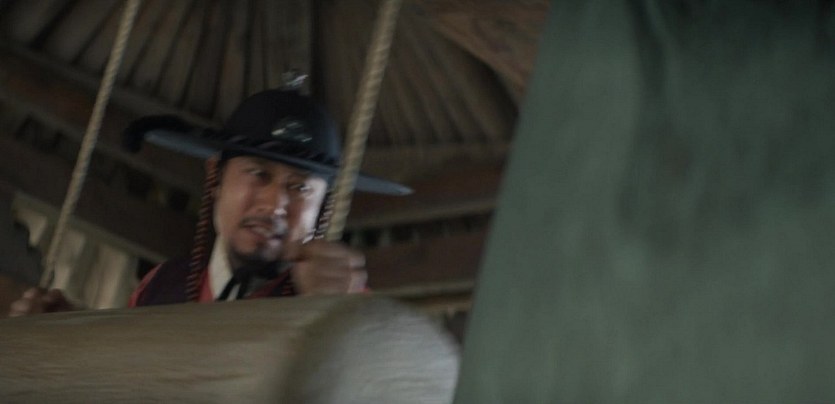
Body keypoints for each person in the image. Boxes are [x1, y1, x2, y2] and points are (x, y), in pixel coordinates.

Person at [8, 88, 410, 316]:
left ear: (323, 207)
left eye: (300, 188)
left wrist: (333, 319)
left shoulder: (348, 306)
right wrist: (75, 334)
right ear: (216, 177)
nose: (274, 204)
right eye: (258, 174)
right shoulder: (160, 286)